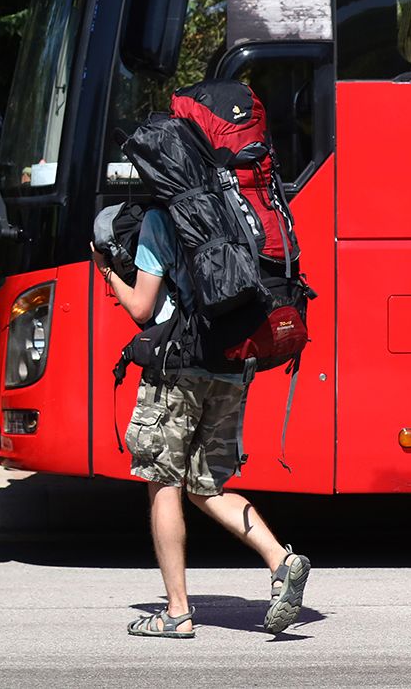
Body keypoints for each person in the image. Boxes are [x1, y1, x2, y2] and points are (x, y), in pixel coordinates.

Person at [94, 208, 311, 638]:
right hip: (233, 365)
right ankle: (281, 561)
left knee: (163, 482)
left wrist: (106, 271)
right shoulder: (237, 207)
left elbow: (141, 307)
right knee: (206, 487)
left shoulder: (162, 218)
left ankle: (176, 612)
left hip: (179, 368)